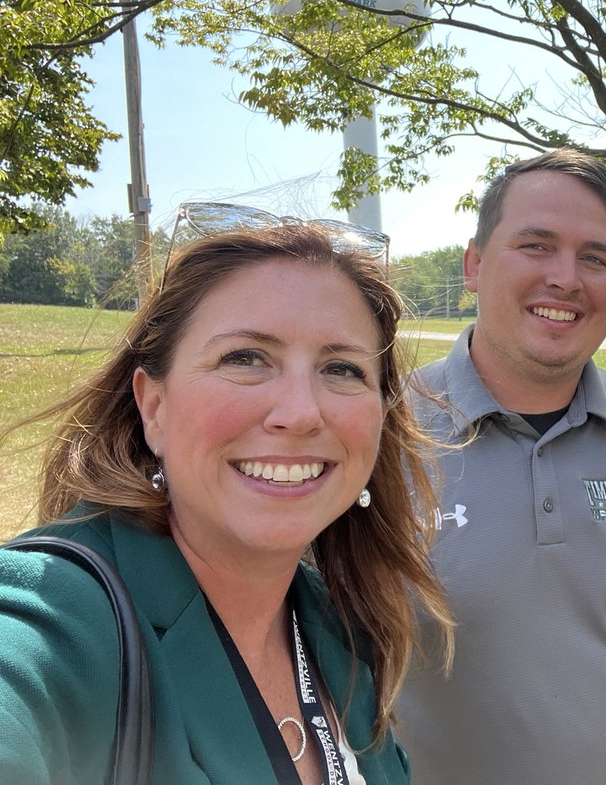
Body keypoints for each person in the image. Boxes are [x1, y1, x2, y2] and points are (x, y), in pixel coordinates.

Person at [0, 207, 453, 784]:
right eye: (244, 358)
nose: (300, 413)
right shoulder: (56, 617)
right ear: (154, 407)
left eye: (341, 369)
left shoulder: (342, 628)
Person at [394, 149, 606, 784]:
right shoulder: (379, 437)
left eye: (595, 257)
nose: (566, 278)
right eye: (536, 246)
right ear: (474, 265)